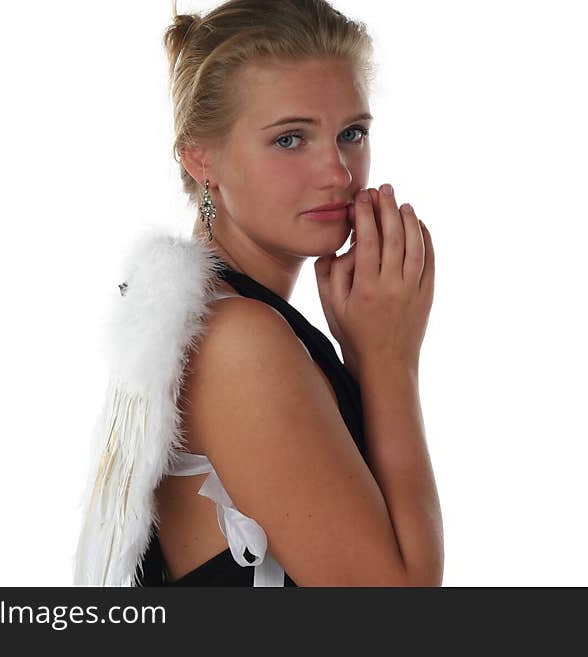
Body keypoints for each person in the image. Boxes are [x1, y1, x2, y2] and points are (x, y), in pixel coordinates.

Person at [75, 0, 443, 587]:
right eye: (291, 139)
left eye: (352, 133)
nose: (339, 172)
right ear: (200, 158)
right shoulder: (238, 341)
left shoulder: (219, 320)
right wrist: (388, 360)